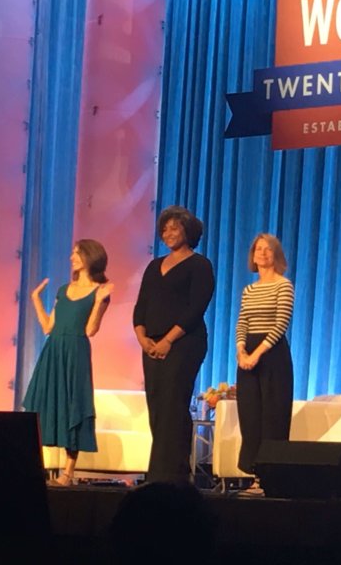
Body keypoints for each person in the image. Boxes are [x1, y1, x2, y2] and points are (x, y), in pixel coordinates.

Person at [133, 206, 215, 483]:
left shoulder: (200, 265)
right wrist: (142, 338)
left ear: (188, 231)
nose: (168, 233)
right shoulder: (154, 266)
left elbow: (196, 308)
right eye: (165, 229)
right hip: (151, 344)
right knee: (157, 405)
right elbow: (141, 306)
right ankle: (169, 471)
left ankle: (166, 476)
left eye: (175, 228)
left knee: (172, 405)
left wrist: (168, 340)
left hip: (184, 344)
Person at [23, 239, 113, 486]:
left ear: (90, 257)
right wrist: (35, 299)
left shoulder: (99, 292)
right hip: (53, 350)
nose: (72, 257)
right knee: (44, 402)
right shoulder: (64, 290)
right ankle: (37, 467)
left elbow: (91, 330)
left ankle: (68, 473)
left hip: (76, 351)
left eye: (77, 253)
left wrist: (99, 301)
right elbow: (48, 326)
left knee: (74, 404)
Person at [235, 233, 295, 496]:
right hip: (248, 355)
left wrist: (257, 354)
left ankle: (271, 479)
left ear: (276, 255)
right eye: (258, 249)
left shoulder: (284, 285)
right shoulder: (249, 290)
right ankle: (255, 476)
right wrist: (241, 351)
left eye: (268, 249)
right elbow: (242, 322)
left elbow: (281, 324)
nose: (262, 253)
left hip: (272, 356)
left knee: (273, 416)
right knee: (250, 418)